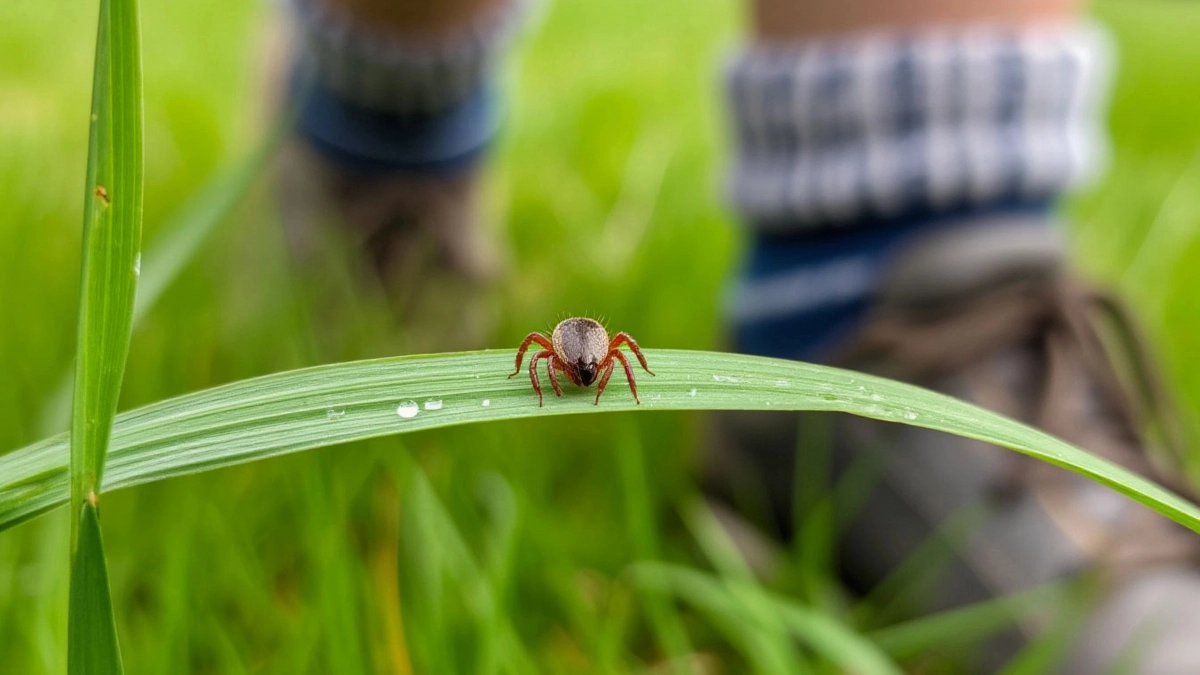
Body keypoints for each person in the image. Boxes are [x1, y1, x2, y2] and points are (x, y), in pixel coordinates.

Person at [282, 0, 1200, 671]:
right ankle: (389, 130)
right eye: (581, 366)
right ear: (563, 357)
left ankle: (897, 269)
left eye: (594, 365)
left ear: (603, 357)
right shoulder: (560, 351)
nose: (587, 370)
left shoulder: (599, 352)